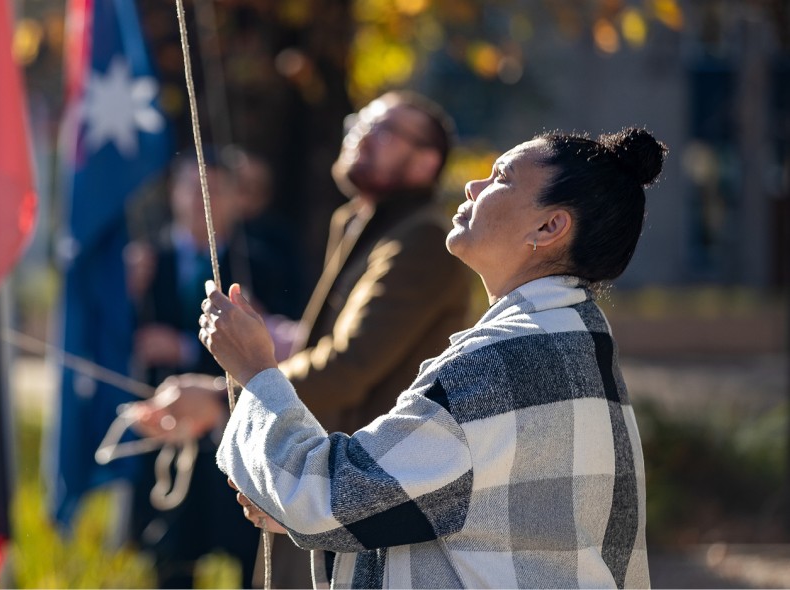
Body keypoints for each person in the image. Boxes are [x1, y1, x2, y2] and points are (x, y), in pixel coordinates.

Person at [197, 127, 665, 588]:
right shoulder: (578, 339)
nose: (472, 185)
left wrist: (255, 370)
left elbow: (325, 496)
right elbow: (487, 521)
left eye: (500, 178)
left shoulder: (502, 358)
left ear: (549, 227)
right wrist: (341, 515)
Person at [132, 90, 472, 587]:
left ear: (425, 163)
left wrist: (218, 396)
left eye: (385, 130)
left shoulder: (420, 240)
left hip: (364, 499)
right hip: (334, 491)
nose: (361, 132)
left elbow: (346, 367)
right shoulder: (364, 226)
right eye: (361, 121)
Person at [123, 149, 299, 588]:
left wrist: (185, 347)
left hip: (237, 426)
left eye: (217, 190)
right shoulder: (144, 261)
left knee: (248, 548)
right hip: (168, 427)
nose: (203, 200)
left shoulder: (264, 262)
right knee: (171, 553)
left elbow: (281, 348)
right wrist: (125, 296)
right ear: (173, 192)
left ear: (239, 199)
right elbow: (120, 337)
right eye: (192, 186)